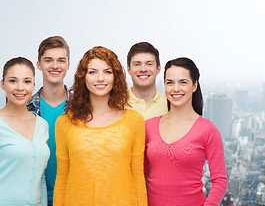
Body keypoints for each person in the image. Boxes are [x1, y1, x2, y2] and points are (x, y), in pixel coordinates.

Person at [53, 46, 147, 206]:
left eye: (107, 72)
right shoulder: (64, 123)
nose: (100, 78)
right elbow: (62, 178)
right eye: (92, 72)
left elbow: (138, 178)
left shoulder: (134, 121)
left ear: (115, 77)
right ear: (83, 77)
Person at [144, 57, 228, 205]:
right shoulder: (148, 127)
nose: (176, 89)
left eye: (183, 82)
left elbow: (220, 181)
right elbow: (140, 175)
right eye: (170, 83)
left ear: (194, 85)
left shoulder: (208, 130)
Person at [0, 57, 50, 206]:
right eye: (13, 81)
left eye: (26, 81)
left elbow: (41, 178)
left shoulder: (42, 125)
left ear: (33, 85)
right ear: (3, 84)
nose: (20, 87)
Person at [27, 36, 70, 206]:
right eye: (48, 60)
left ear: (67, 65)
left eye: (61, 60)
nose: (54, 66)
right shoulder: (26, 108)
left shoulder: (83, 109)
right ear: (39, 65)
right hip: (34, 199)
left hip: (73, 197)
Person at [126, 42, 168, 120]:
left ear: (158, 69)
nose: (143, 69)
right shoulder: (117, 104)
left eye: (149, 64)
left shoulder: (170, 105)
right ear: (128, 70)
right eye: (137, 64)